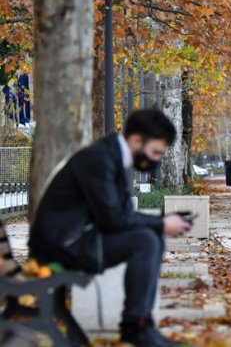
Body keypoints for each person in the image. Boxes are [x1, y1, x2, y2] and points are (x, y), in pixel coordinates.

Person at [28, 109, 191, 346]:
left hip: (72, 240)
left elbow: (119, 216)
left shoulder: (114, 157)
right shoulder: (99, 158)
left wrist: (159, 224)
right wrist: (162, 223)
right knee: (145, 240)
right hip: (60, 246)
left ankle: (141, 324)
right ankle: (135, 327)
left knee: (150, 237)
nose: (155, 160)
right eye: (155, 152)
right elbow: (113, 219)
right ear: (136, 140)